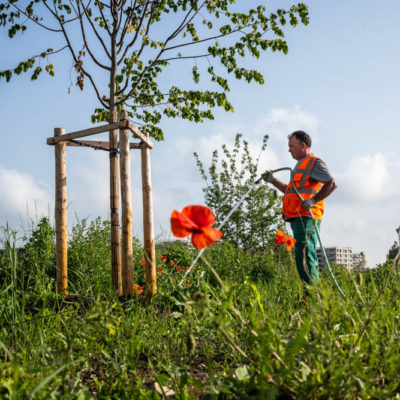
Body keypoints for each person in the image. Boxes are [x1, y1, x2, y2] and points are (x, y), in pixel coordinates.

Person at [262, 130, 337, 284]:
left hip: (307, 217)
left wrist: (314, 200)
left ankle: (312, 295)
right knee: (302, 256)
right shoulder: (299, 166)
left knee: (305, 255)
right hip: (298, 217)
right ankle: (308, 293)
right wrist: (273, 180)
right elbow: (291, 191)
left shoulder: (314, 163)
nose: (289, 149)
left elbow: (332, 183)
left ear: (303, 145)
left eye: (291, 146)